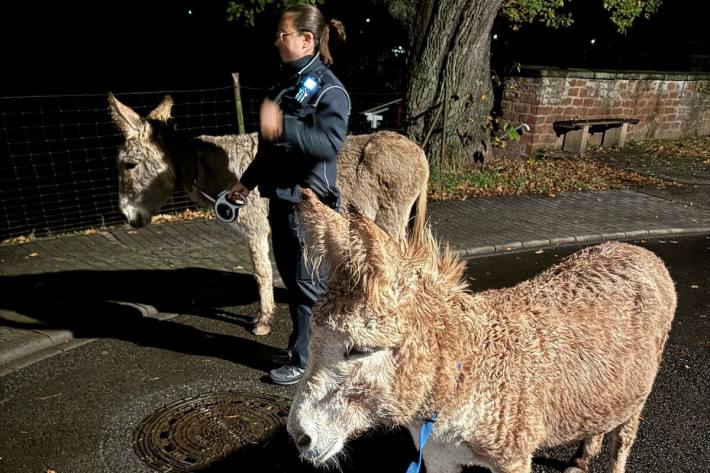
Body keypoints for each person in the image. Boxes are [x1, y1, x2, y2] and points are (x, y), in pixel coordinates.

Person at [228, 4, 350, 385]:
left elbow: (329, 143)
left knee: (307, 286)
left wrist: (283, 126)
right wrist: (246, 182)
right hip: (281, 201)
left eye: (283, 33)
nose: (276, 40)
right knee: (298, 284)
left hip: (310, 204)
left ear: (306, 39)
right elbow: (269, 147)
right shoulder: (282, 86)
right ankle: (310, 349)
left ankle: (310, 361)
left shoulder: (330, 90)